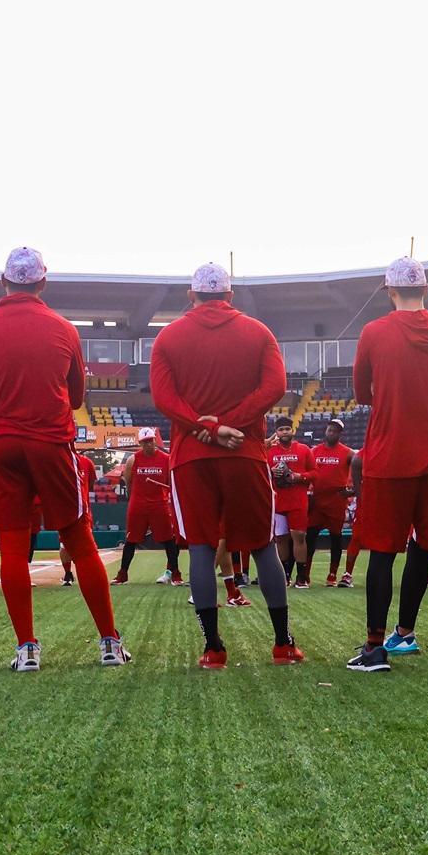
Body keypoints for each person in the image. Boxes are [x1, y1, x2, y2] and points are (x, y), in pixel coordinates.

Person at [0, 247, 128, 671]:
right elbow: (76, 397)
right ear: (42, 281)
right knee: (80, 542)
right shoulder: (63, 329)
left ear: (3, 281)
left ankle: (27, 649)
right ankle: (109, 642)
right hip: (51, 442)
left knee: (14, 548)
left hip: (2, 443)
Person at [150, 262, 298, 668]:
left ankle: (213, 649)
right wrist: (231, 423)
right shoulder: (258, 332)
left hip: (191, 457)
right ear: (230, 296)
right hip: (245, 453)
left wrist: (203, 427)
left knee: (200, 548)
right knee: (263, 545)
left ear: (190, 295)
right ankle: (283, 644)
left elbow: (163, 398)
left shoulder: (169, 336)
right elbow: (276, 387)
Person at [347, 257, 428, 672]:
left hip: (389, 456)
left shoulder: (375, 332)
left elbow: (362, 392)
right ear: (427, 289)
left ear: (389, 290)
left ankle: (374, 648)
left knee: (382, 554)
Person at [115, 427, 181, 585]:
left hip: (159, 504)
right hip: (138, 505)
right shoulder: (133, 459)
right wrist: (135, 501)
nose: (148, 445)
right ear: (140, 443)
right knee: (131, 540)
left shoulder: (166, 459)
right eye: (145, 442)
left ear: (154, 441)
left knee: (168, 540)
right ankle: (122, 574)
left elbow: (170, 482)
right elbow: (129, 483)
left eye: (150, 441)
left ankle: (176, 574)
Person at [303, 419, 357, 586]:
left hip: (336, 500)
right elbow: (306, 471)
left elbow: (361, 467)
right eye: (329, 430)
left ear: (340, 434)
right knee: (310, 537)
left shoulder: (348, 453)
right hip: (317, 500)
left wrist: (353, 489)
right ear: (325, 431)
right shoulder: (314, 451)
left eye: (335, 431)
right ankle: (305, 574)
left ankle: (332, 575)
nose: (331, 433)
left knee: (336, 538)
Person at [266, 423, 314, 586]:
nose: (284, 432)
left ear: (293, 431)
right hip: (278, 501)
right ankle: (285, 576)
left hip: (298, 501)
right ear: (276, 432)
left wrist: (298, 476)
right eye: (281, 429)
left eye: (287, 429)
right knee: (280, 539)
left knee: (299, 537)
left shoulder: (304, 449)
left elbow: (315, 473)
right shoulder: (269, 451)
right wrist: (271, 472)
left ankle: (302, 577)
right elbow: (260, 471)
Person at [57, 449, 98, 587]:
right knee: (64, 546)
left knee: (87, 546)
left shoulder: (87, 463)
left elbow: (90, 485)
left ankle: (90, 576)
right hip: (63, 511)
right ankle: (68, 574)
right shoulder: (58, 462)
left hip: (83, 512)